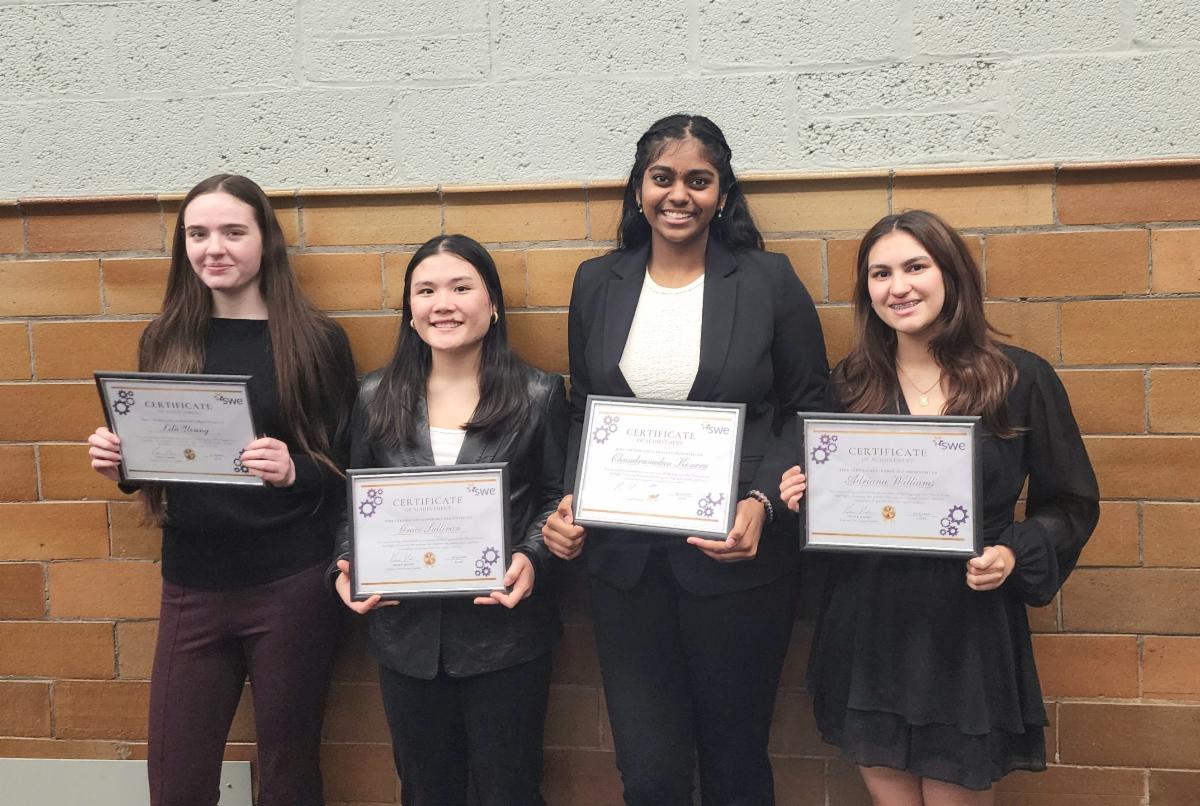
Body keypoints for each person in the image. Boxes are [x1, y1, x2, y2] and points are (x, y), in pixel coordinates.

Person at [542, 114, 829, 804]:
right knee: (649, 772)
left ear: (723, 195)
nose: (679, 195)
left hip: (736, 562)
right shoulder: (597, 282)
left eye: (699, 181)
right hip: (625, 567)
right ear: (639, 189)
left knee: (734, 761)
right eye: (662, 178)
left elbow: (810, 407)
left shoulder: (767, 280)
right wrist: (570, 499)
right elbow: (585, 410)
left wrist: (762, 503)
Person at [780, 209, 1099, 805]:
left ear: (951, 274)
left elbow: (1071, 503)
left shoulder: (1018, 379)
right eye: (880, 274)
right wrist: (806, 499)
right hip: (870, 624)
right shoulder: (848, 386)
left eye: (915, 267)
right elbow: (837, 509)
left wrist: (1013, 553)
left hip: (966, 632)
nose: (897, 287)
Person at [86, 174, 357, 806]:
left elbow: (351, 467)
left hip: (291, 584)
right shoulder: (164, 338)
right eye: (198, 234)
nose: (214, 248)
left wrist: (295, 469)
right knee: (176, 780)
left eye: (234, 232)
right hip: (192, 583)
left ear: (266, 240)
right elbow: (161, 456)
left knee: (289, 773)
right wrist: (122, 463)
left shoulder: (315, 340)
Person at [331, 234, 568, 806]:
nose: (443, 304)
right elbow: (352, 502)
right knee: (424, 791)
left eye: (461, 288)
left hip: (505, 637)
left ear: (493, 304)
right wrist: (347, 563)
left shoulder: (539, 394)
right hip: (405, 638)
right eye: (426, 291)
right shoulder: (374, 396)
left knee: (510, 791)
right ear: (409, 311)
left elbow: (555, 495)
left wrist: (532, 556)